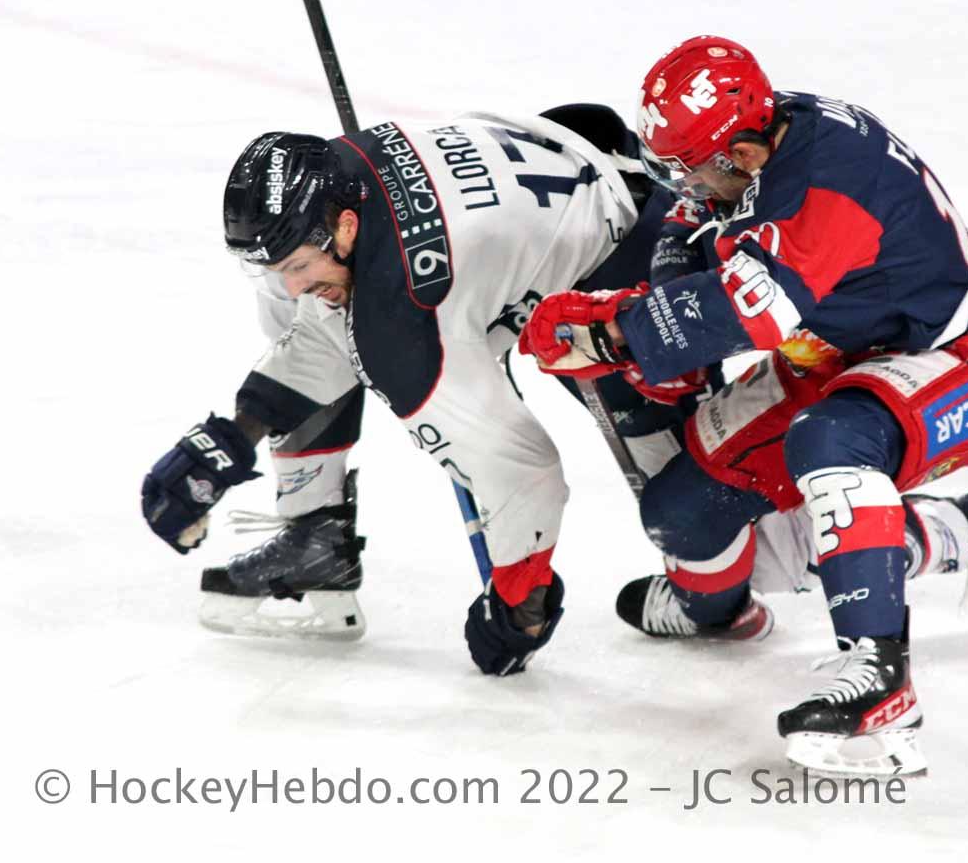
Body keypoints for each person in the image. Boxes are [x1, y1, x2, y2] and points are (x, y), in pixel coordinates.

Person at [521, 35, 968, 776]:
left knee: (830, 442)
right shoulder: (762, 138)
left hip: (964, 356)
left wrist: (613, 331)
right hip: (840, 349)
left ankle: (889, 660)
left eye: (687, 169)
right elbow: (693, 232)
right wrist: (661, 300)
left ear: (740, 153)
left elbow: (752, 312)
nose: (681, 187)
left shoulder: (826, 186)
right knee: (684, 514)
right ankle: (719, 608)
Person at [140, 104, 705, 674]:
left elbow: (525, 473)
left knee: (696, 527)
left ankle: (716, 598)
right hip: (588, 167)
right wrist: (230, 438)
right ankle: (314, 527)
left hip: (634, 273)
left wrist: (519, 607)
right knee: (304, 301)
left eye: (299, 265)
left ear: (346, 227)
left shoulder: (398, 322)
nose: (293, 286)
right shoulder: (343, 167)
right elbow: (322, 338)